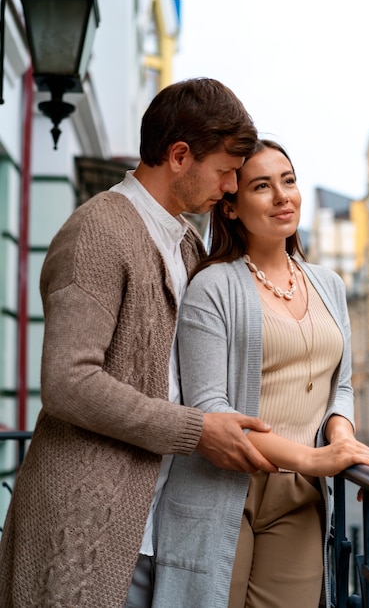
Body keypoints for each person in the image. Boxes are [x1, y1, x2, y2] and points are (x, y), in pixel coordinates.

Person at [0, 79, 278, 608]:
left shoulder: (186, 244)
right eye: (223, 172)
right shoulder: (97, 232)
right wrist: (196, 431)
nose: (228, 188)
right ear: (179, 156)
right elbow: (67, 381)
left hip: (155, 528)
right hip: (84, 526)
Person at [151, 139, 369, 608]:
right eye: (262, 186)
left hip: (297, 496)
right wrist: (316, 460)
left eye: (289, 181)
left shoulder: (330, 286)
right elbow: (210, 408)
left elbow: (340, 385)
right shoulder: (212, 286)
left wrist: (341, 438)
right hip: (219, 487)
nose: (283, 196)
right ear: (232, 208)